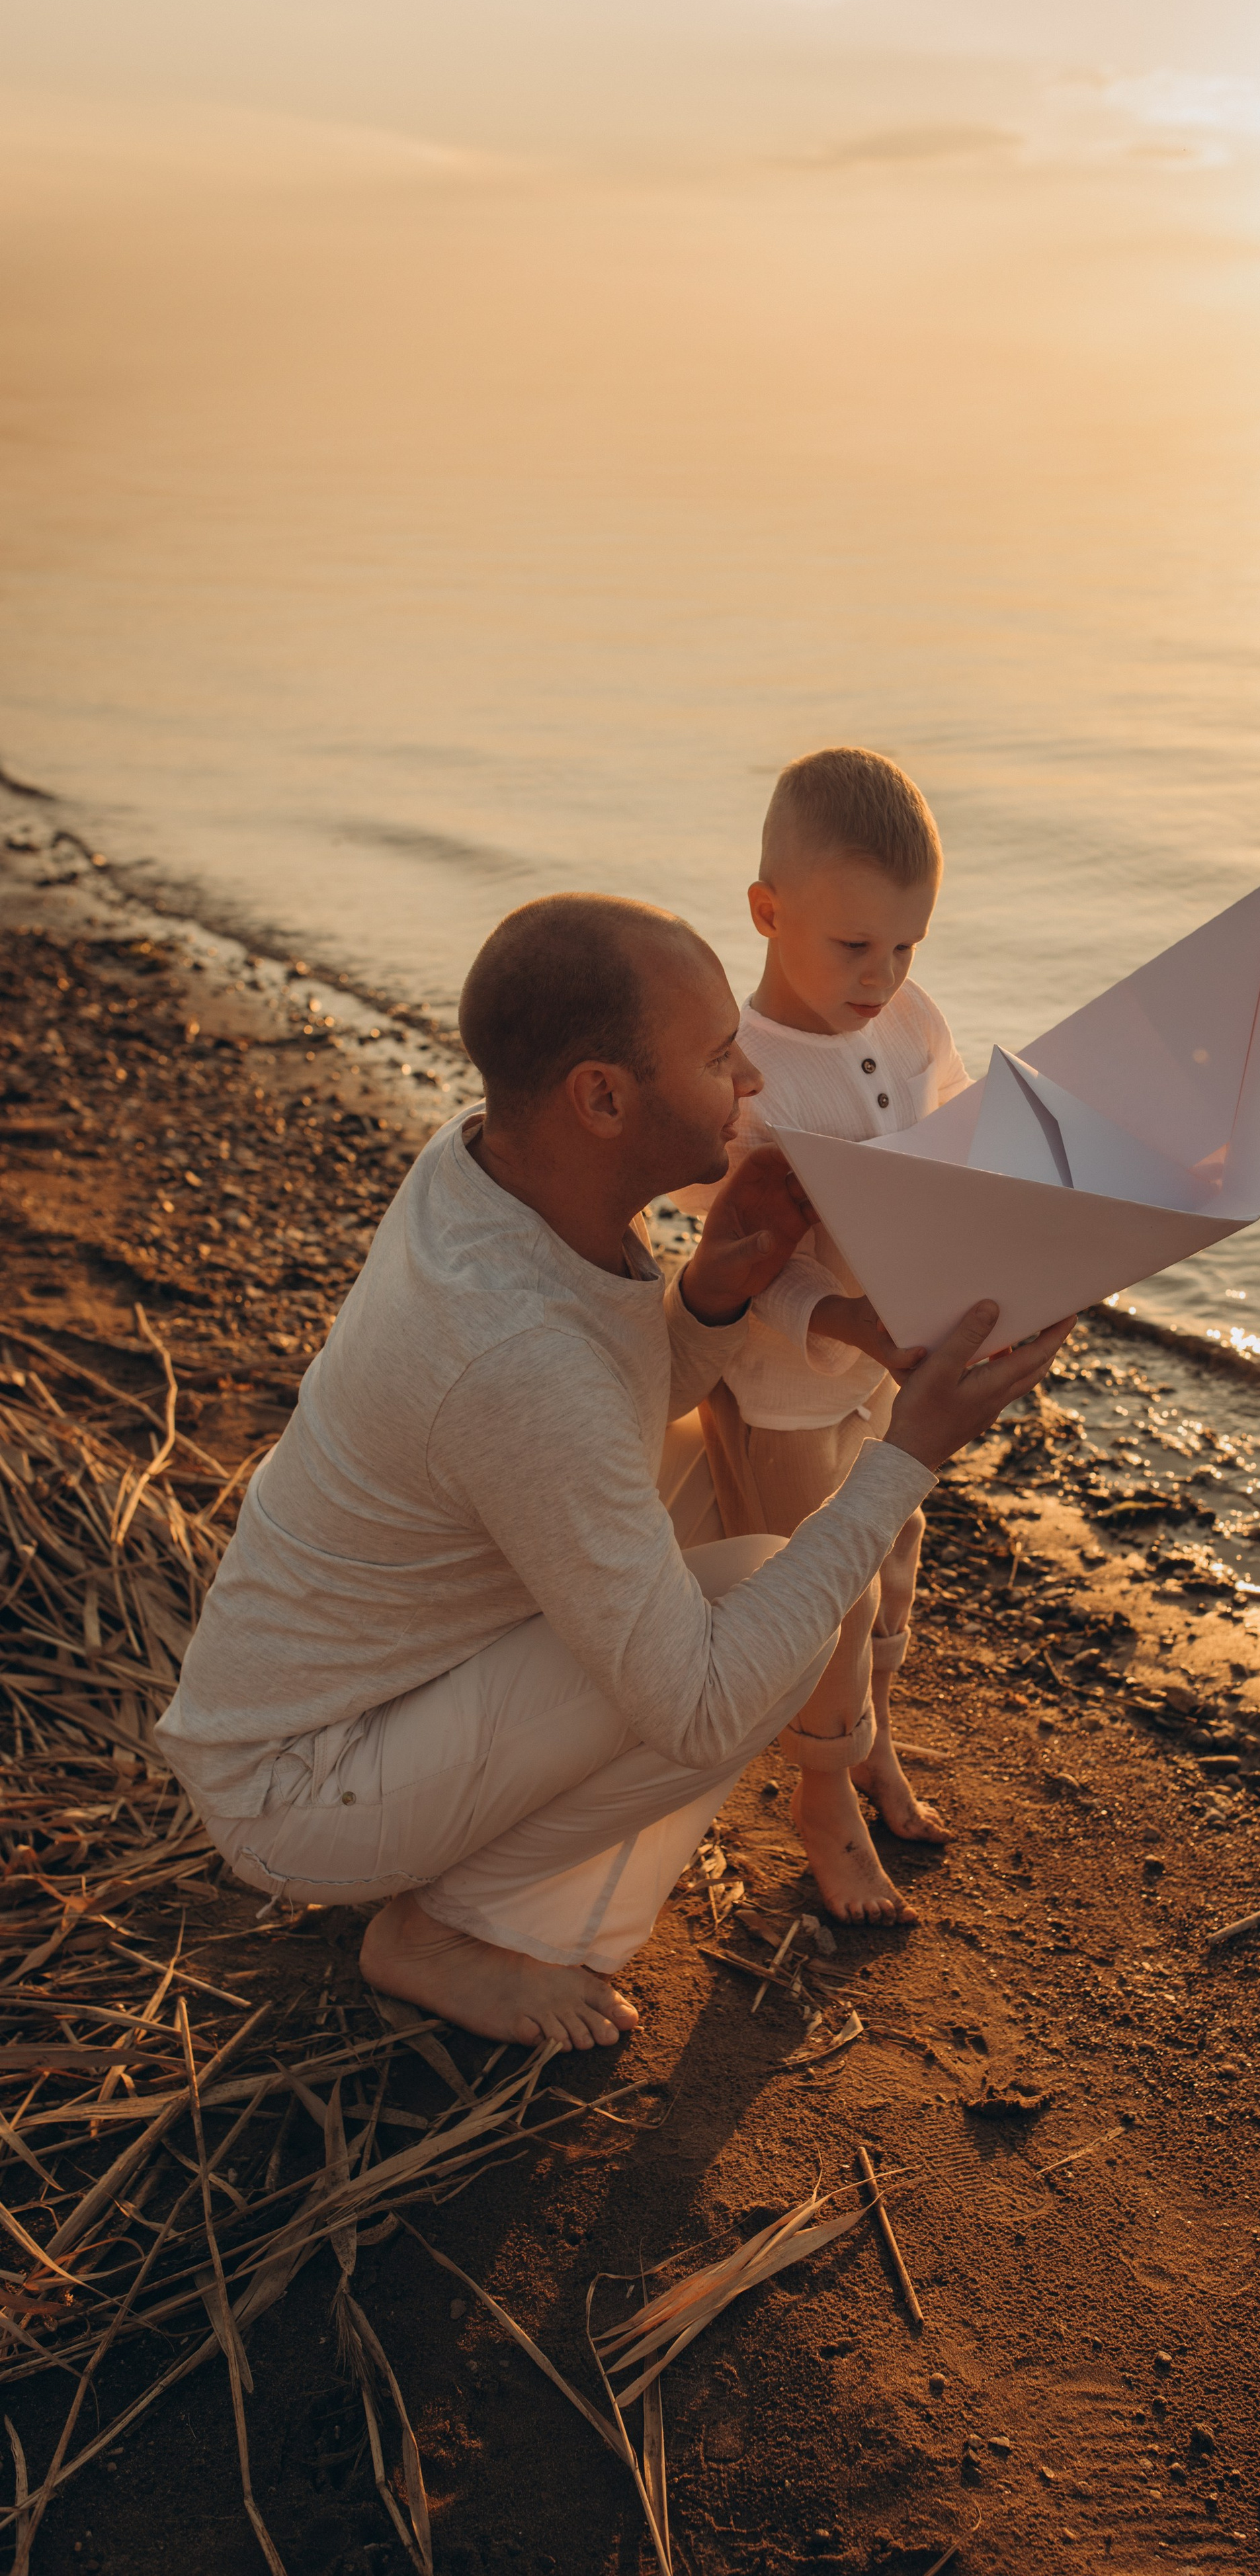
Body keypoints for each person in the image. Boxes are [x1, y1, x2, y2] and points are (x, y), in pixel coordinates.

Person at [156, 894, 1068, 2053]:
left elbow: (611, 1393)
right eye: (719, 1055)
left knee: (707, 1483)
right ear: (602, 1097)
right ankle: (442, 1932)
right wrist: (910, 1456)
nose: (751, 1081)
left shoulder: (490, 1169)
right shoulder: (515, 1355)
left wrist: (714, 1295)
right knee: (749, 1608)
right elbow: (701, 1704)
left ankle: (466, 1879)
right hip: (304, 1787)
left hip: (373, 1667)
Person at [684, 747, 972, 1927]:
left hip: (885, 1370)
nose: (884, 974)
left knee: (895, 1553)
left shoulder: (909, 1021)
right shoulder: (750, 1083)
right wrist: (853, 1314)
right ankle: (821, 1800)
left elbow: (954, 1138)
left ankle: (873, 1742)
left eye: (907, 945)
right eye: (855, 946)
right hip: (785, 1385)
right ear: (767, 912)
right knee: (828, 1594)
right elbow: (751, 1277)